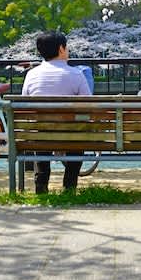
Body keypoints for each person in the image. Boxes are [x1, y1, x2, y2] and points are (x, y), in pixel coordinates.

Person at [22, 31, 93, 194]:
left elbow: (25, 106)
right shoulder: (76, 74)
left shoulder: (31, 75)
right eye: (66, 47)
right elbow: (89, 106)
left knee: (41, 133)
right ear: (61, 49)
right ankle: (69, 186)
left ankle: (41, 184)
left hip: (41, 135)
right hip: (70, 135)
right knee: (77, 136)